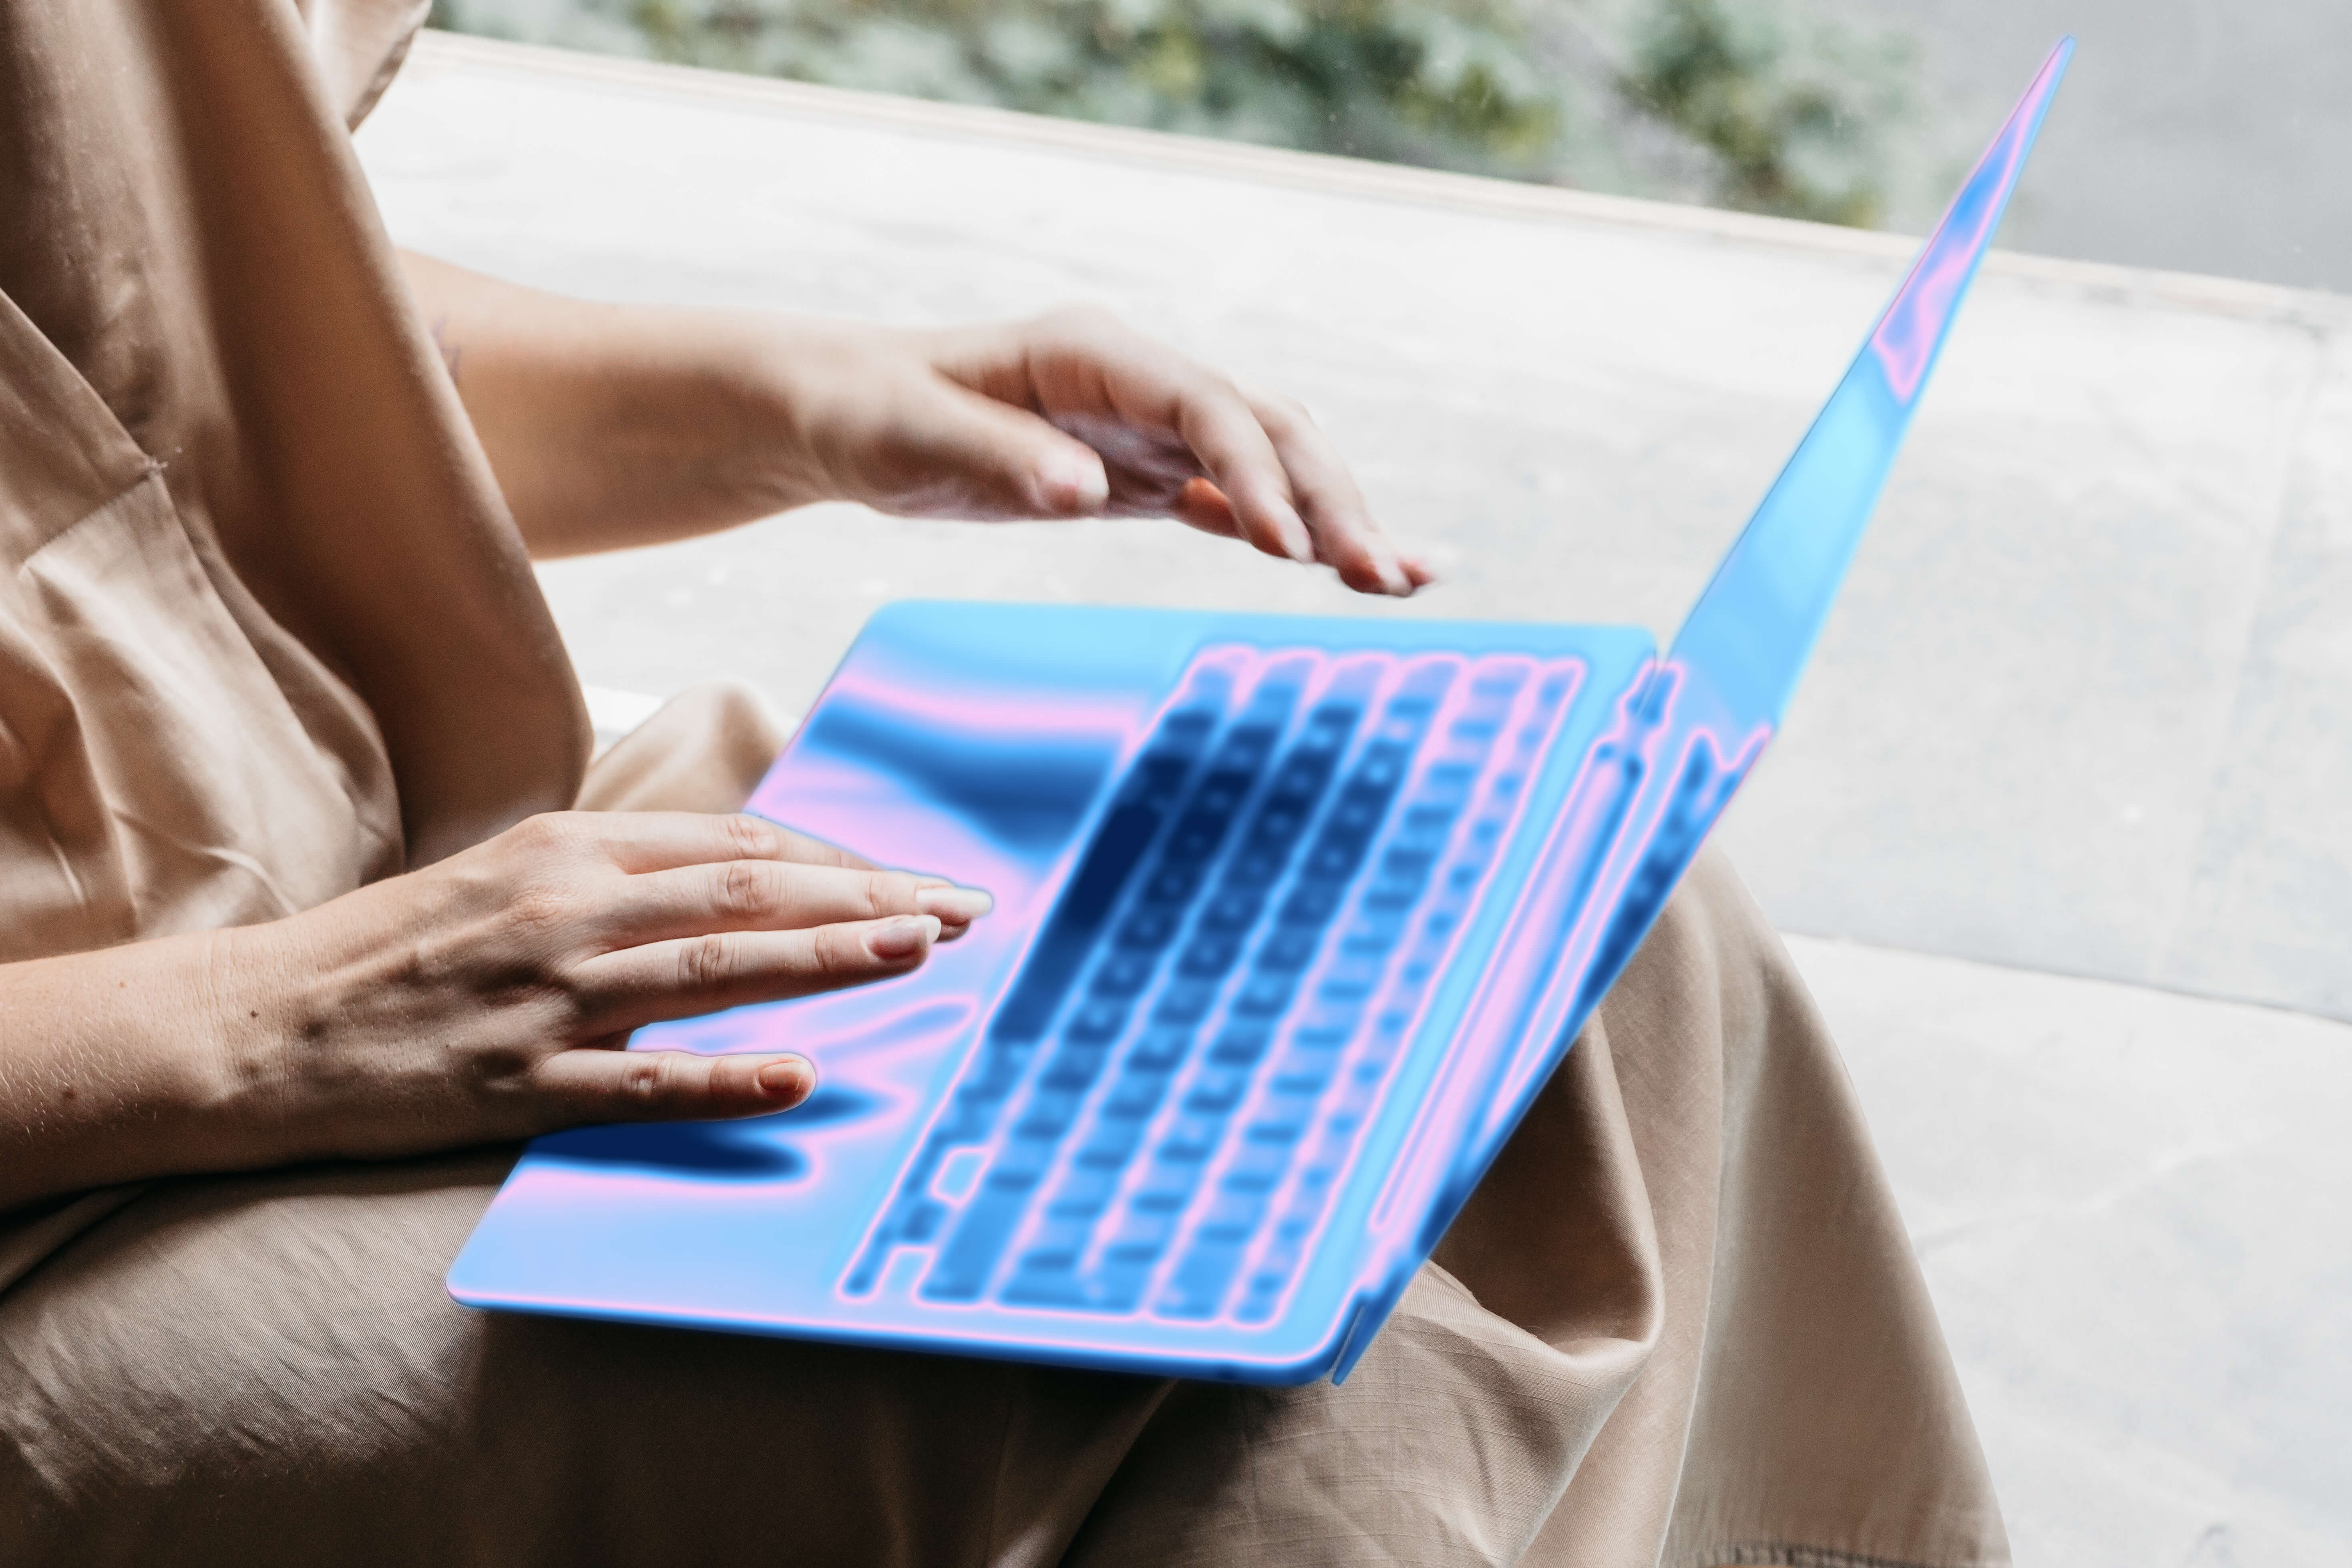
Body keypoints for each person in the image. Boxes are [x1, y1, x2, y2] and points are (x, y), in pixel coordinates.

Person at [0, 3, 2010, 1564]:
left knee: (1553, 914)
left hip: (364, 835)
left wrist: (795, 402)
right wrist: (269, 1023)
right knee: (1268, 1389)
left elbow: (157, 308)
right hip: (89, 1131)